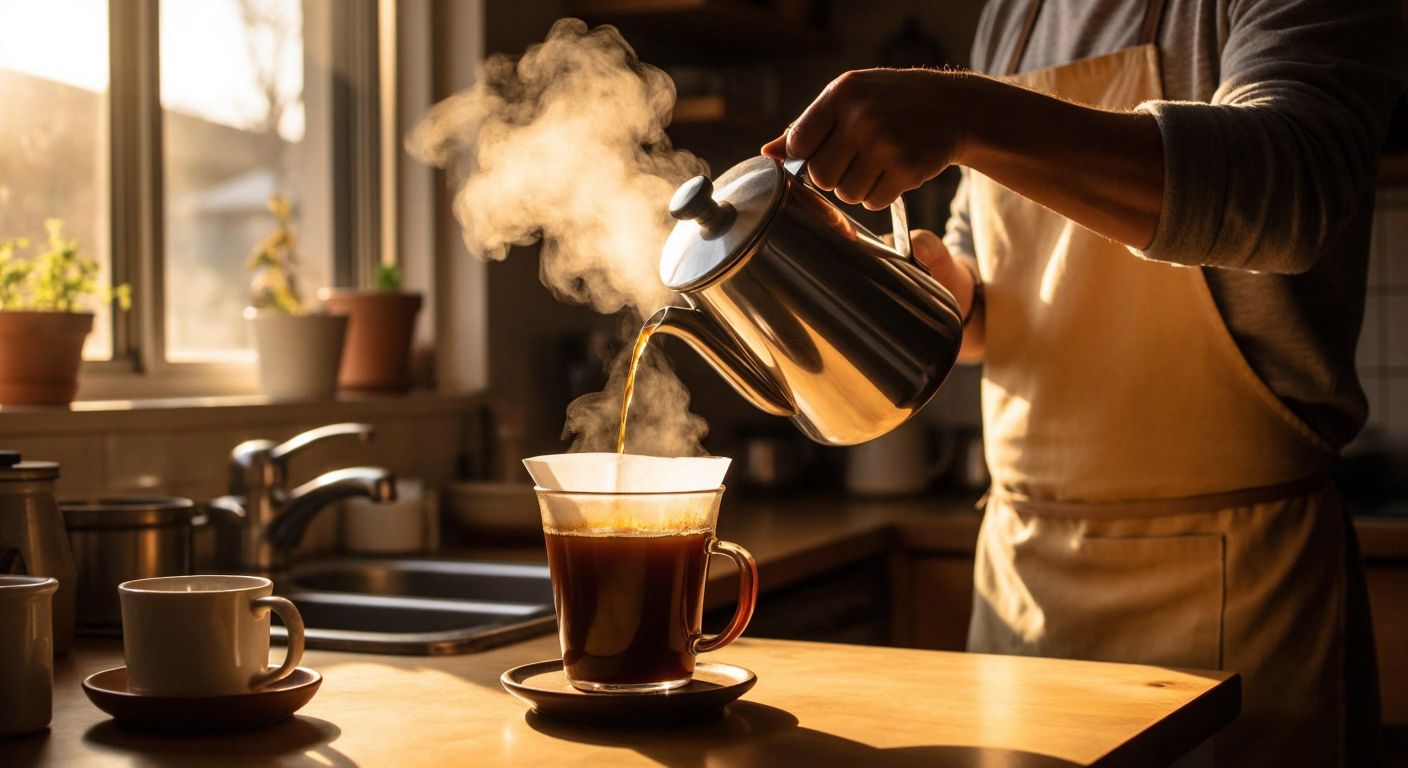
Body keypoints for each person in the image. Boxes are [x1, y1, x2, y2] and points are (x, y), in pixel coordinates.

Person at [762, 1, 1408, 765]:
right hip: (1025, 582)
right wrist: (929, 295)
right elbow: (984, 300)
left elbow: (1291, 194)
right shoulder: (1017, 15)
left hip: (1241, 587)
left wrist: (968, 111)